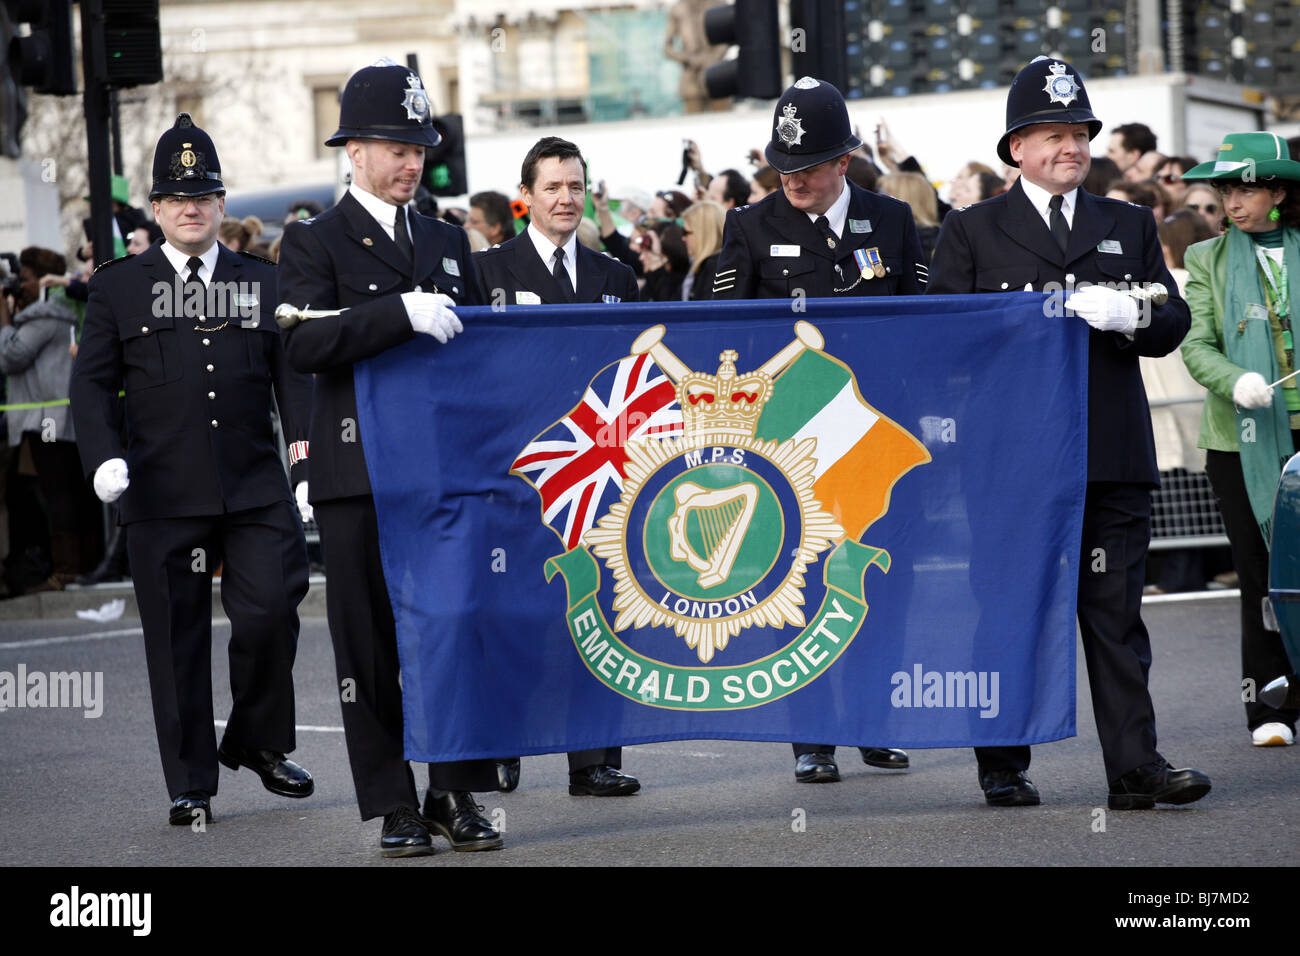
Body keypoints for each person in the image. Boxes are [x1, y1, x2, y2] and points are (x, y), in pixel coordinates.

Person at [927, 57, 1211, 810]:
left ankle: (1136, 769)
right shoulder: (972, 230)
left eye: (1079, 133)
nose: (1071, 147)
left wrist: (1139, 313)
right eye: (1052, 134)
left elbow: (1173, 323)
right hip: (1011, 464)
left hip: (1108, 456)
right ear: (1016, 146)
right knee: (1010, 610)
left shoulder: (1125, 223)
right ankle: (1002, 761)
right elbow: (942, 344)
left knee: (1115, 619)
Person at [277, 62, 504, 857]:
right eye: (396, 148)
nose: (412, 162)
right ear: (355, 152)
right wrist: (392, 315)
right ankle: (393, 805)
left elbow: (476, 351)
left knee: (452, 628)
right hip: (358, 471)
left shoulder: (446, 240)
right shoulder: (313, 240)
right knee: (368, 647)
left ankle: (454, 791)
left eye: (418, 148)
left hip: (442, 470)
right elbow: (302, 341)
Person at [69, 114, 315, 827]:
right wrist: (103, 457)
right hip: (162, 489)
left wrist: (302, 463)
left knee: (272, 609)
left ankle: (258, 740)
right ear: (156, 208)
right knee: (176, 640)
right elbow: (91, 385)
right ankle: (190, 782)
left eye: (204, 195)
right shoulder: (119, 288)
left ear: (222, 204)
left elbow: (292, 379)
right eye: (177, 198)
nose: (191, 208)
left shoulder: (260, 282)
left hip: (253, 487)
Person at [712, 75, 922, 783]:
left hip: (870, 434)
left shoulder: (891, 222)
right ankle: (812, 732)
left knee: (878, 582)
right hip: (791, 447)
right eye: (782, 166)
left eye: (808, 166)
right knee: (800, 587)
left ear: (844, 161)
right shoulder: (748, 226)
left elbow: (926, 322)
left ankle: (875, 720)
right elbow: (724, 334)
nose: (792, 180)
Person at [473, 136, 642, 796]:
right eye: (553, 187)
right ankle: (505, 743)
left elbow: (635, 376)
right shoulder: (487, 271)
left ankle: (594, 759)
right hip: (516, 472)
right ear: (526, 197)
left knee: (596, 613)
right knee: (514, 614)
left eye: (575, 186)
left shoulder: (616, 278)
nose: (566, 199)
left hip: (600, 475)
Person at [1179, 131, 1300, 747]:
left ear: (1278, 191)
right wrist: (1237, 378)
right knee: (1260, 573)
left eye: (1247, 187)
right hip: (1241, 434)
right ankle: (1270, 705)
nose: (1233, 200)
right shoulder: (1206, 258)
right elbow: (1195, 345)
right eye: (1226, 187)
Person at [0, 248, 98, 592]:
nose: (18, 286)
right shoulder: (46, 314)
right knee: (53, 489)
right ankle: (64, 565)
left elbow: (10, 357)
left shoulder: (44, 317)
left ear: (41, 279)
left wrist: (3, 315)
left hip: (48, 418)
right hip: (46, 416)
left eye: (24, 278)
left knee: (58, 490)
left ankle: (67, 570)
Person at [681, 199, 724, 300]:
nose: (683, 238)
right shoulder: (707, 265)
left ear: (702, 234)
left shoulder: (715, 267)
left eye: (685, 232)